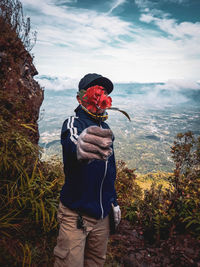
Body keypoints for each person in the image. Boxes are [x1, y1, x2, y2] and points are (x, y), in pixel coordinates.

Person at [54, 73, 121, 267]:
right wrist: (81, 146)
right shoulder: (73, 124)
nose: (101, 95)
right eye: (96, 91)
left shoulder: (106, 127)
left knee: (96, 263)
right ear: (79, 98)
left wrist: (113, 201)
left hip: (102, 217)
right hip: (76, 216)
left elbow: (109, 171)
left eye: (104, 92)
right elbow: (74, 142)